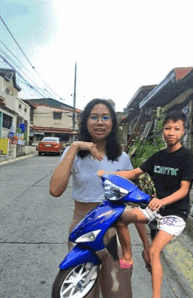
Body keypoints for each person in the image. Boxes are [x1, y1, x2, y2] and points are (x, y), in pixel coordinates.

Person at [98, 110, 193, 298]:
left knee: (153, 252)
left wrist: (161, 201)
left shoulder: (187, 158)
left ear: (183, 132)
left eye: (176, 129)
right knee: (120, 218)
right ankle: (128, 255)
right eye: (168, 128)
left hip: (175, 214)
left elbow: (184, 190)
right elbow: (134, 173)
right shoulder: (159, 156)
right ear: (162, 131)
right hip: (155, 208)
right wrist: (108, 174)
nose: (171, 132)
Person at [50, 98, 134, 298]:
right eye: (94, 117)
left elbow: (131, 198)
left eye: (105, 117)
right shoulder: (74, 155)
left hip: (115, 232)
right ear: (85, 122)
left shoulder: (122, 158)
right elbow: (55, 189)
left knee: (119, 293)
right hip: (82, 230)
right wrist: (76, 146)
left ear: (112, 123)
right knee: (83, 294)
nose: (99, 122)